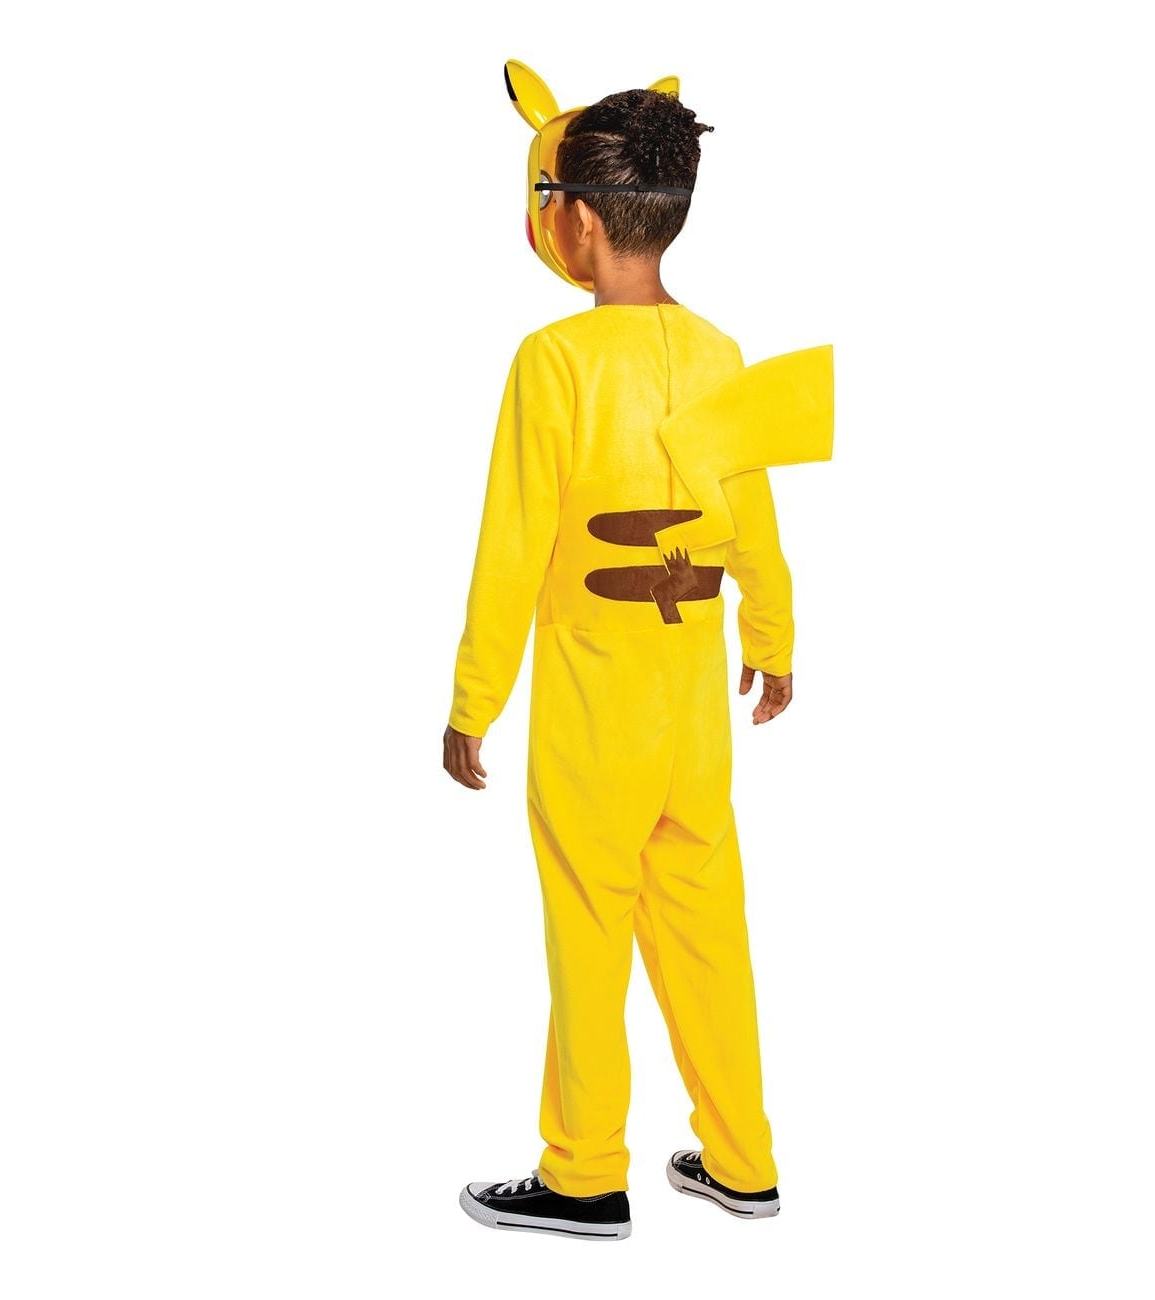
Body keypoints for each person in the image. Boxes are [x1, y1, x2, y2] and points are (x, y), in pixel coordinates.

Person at [444, 73, 833, 1241]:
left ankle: (582, 1174)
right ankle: (743, 1158)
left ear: (572, 216)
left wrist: (472, 699)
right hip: (692, 701)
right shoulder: (718, 350)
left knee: (588, 925)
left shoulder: (553, 360)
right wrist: (772, 639)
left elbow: (511, 545)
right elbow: (752, 516)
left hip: (592, 698)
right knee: (707, 925)